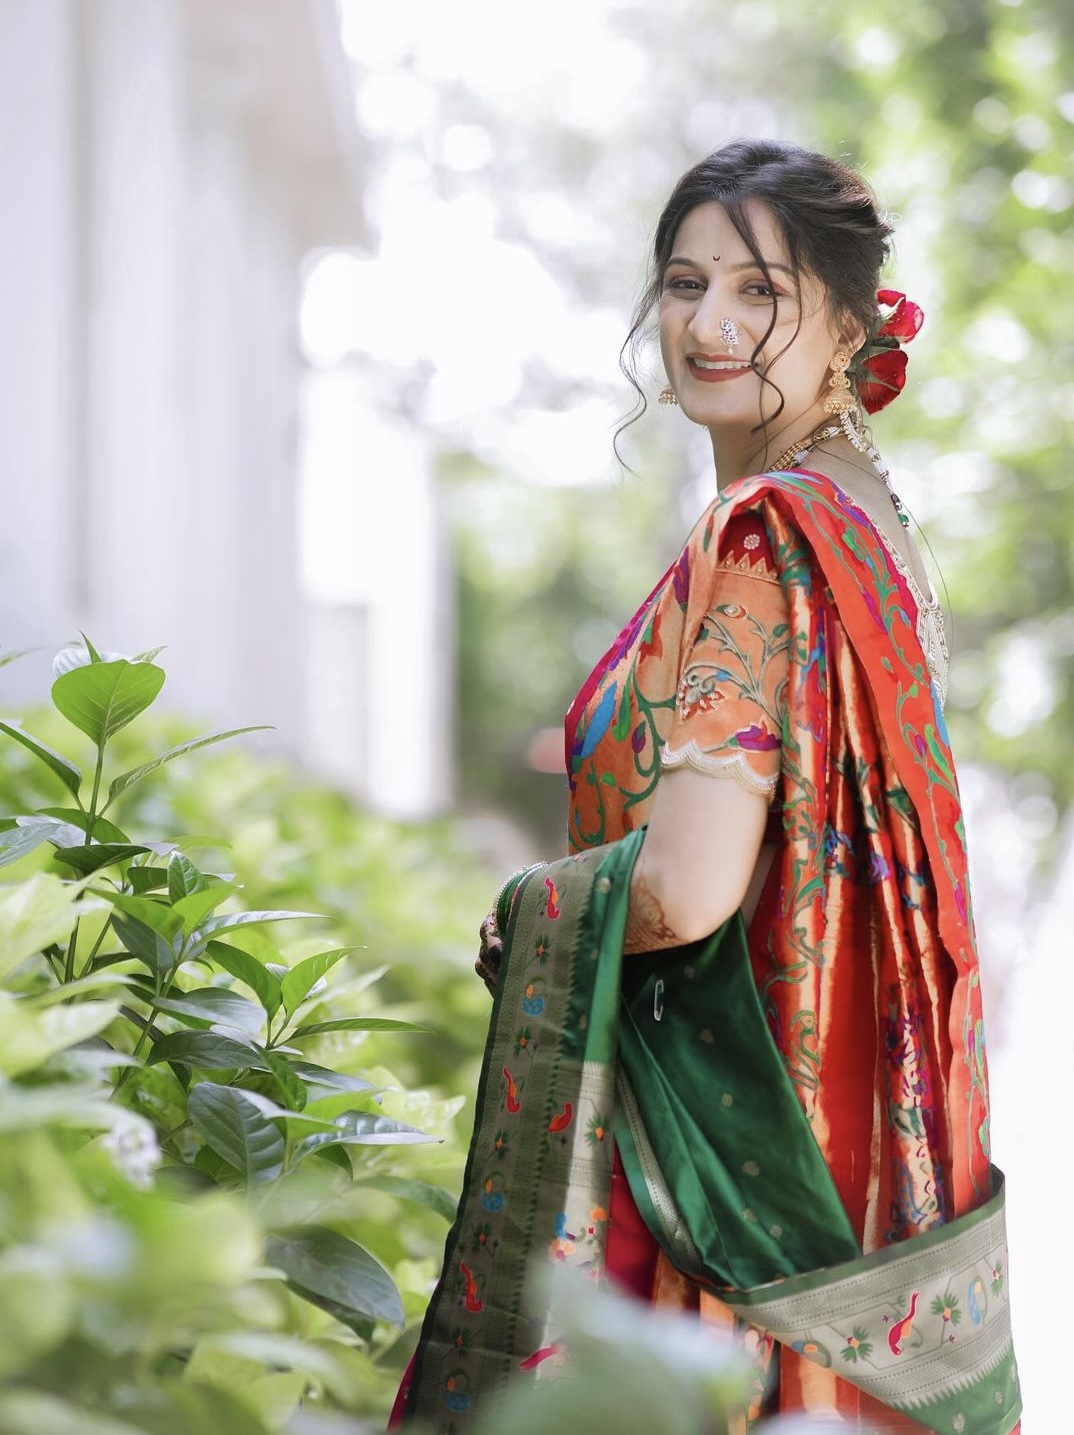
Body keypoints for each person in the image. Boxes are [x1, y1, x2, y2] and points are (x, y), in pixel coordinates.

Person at [392, 139, 1021, 1434]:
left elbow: (680, 893)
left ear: (849, 328)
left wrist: (528, 912)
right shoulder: (874, 526)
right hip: (855, 1159)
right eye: (683, 284)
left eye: (759, 292)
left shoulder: (764, 533)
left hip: (731, 1160)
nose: (709, 323)